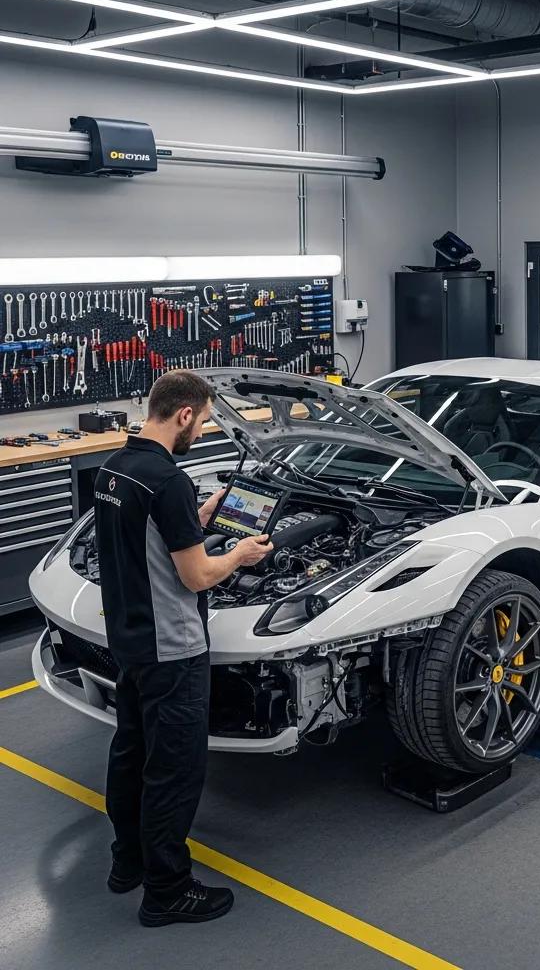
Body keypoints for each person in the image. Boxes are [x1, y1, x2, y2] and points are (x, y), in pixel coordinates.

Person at [93, 370, 273, 926]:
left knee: (131, 754)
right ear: (185, 415)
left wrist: (194, 521)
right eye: (207, 420)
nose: (206, 430)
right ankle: (167, 890)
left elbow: (143, 541)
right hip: (172, 648)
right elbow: (196, 577)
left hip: (128, 640)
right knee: (173, 770)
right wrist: (239, 554)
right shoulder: (168, 479)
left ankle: (128, 865)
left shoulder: (116, 469)